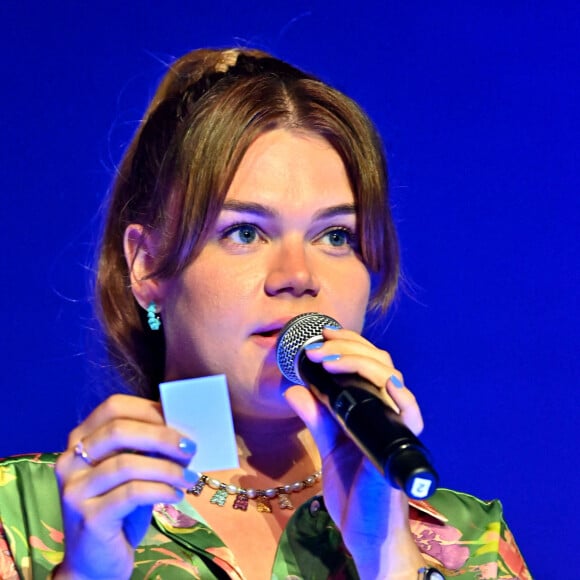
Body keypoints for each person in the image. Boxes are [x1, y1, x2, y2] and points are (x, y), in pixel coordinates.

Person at [0, 48, 531, 579]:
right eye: (245, 232)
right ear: (147, 266)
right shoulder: (24, 516)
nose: (297, 275)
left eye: (335, 235)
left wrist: (389, 552)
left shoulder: (468, 542)